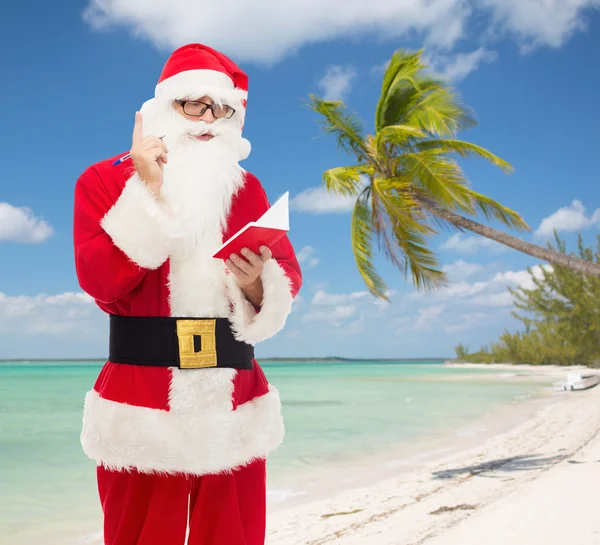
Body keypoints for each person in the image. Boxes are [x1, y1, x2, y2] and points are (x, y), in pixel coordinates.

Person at [73, 43, 302, 545]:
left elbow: (285, 275)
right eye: (191, 104)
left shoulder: (249, 190)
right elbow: (102, 283)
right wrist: (148, 194)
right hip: (142, 406)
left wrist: (254, 285)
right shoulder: (103, 181)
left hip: (235, 402)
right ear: (161, 108)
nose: (206, 119)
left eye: (220, 108)